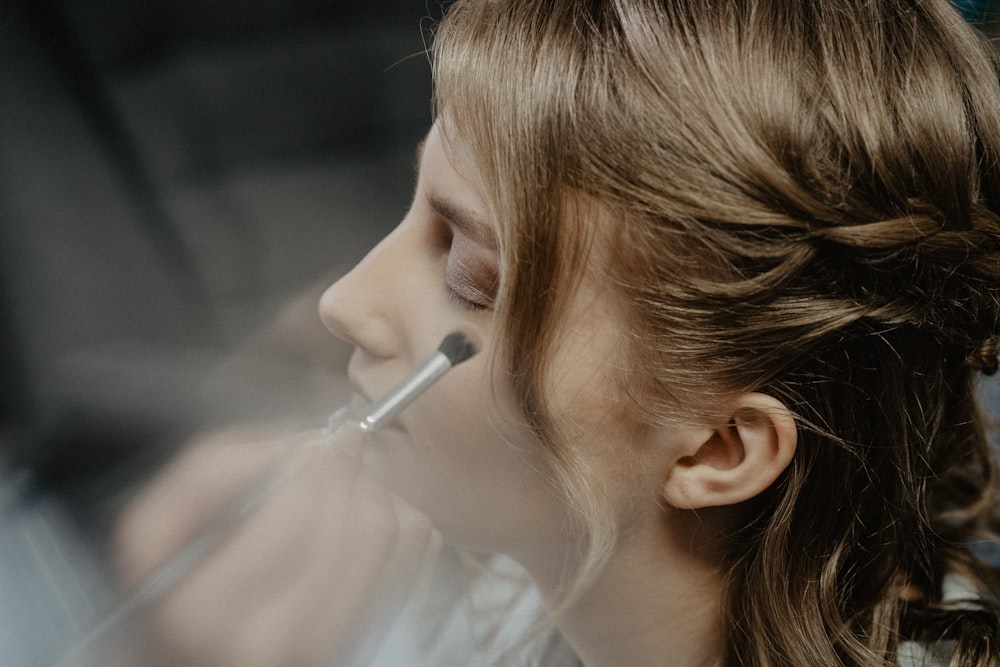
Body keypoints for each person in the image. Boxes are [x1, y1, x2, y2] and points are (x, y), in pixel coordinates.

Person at [112, 0, 1000, 665]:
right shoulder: (433, 614)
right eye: (411, 208)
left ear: (719, 446)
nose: (344, 300)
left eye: (468, 271)